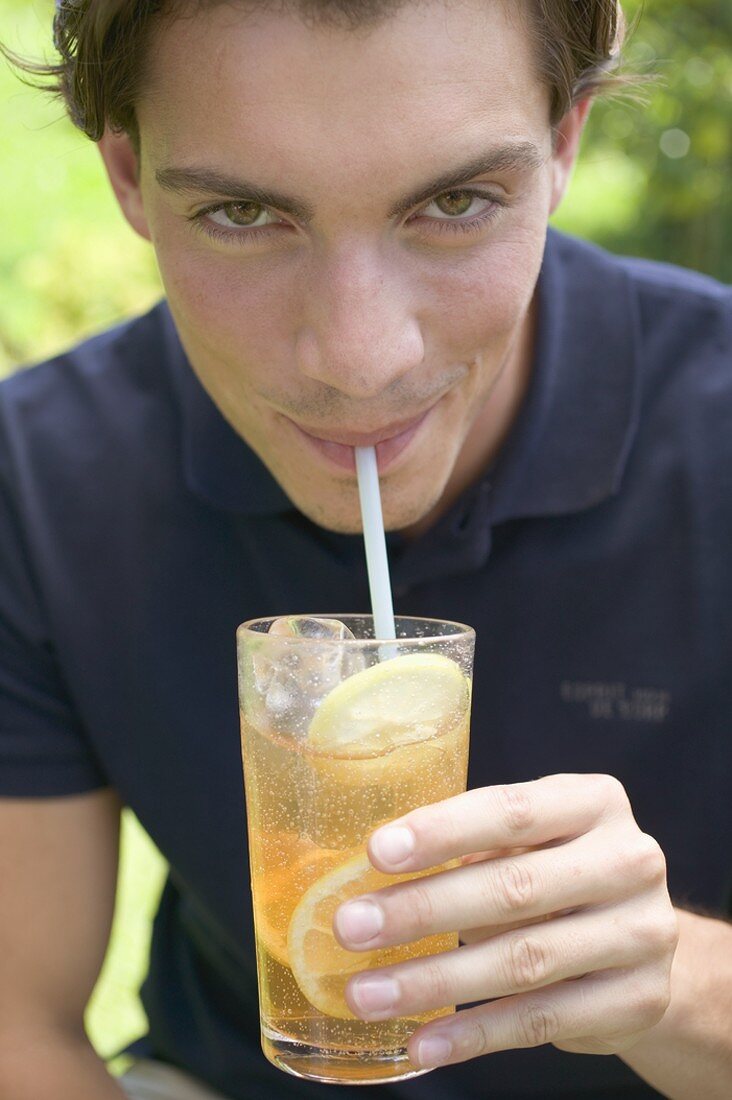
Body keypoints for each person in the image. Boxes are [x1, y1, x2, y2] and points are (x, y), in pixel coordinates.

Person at [0, 1, 730, 1098]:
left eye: (454, 201)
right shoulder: (40, 473)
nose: (358, 357)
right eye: (243, 211)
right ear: (127, 180)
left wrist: (672, 983)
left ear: (565, 143)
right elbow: (20, 1022)